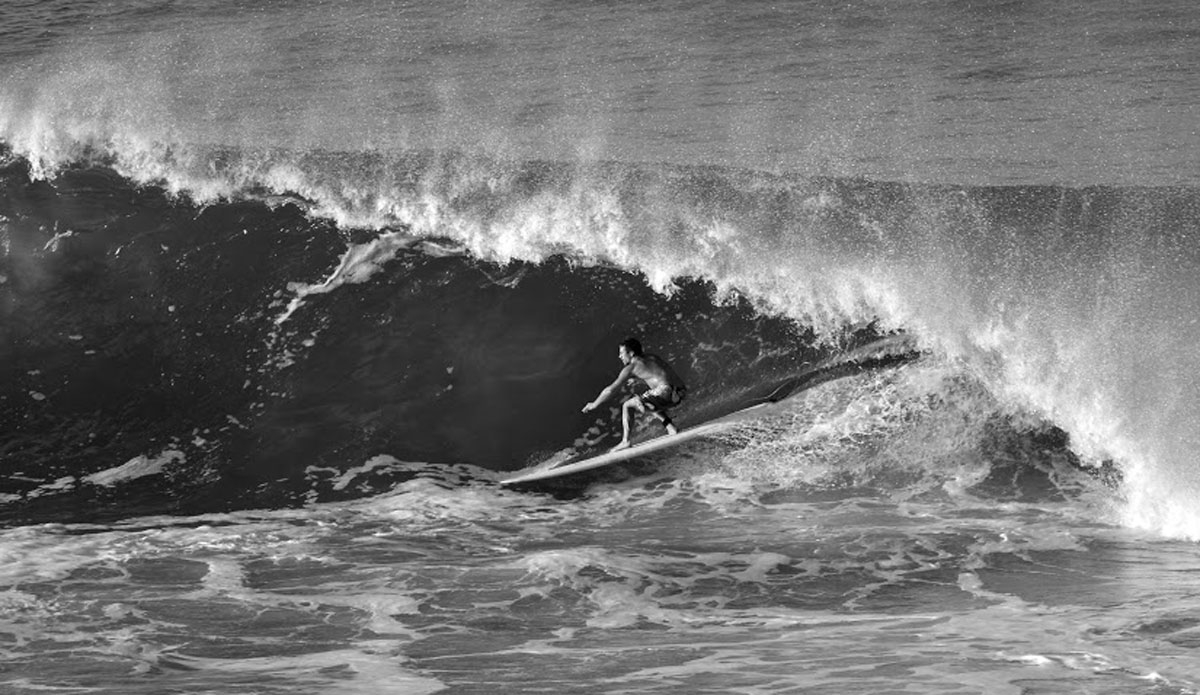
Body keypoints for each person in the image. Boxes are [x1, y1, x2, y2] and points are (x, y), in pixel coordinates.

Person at [582, 338, 687, 450]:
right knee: (649, 402)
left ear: (631, 353)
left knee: (628, 405)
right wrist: (640, 380)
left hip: (664, 393)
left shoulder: (630, 368)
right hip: (680, 392)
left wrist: (594, 404)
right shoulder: (652, 357)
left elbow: (610, 390)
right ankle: (671, 427)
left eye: (622, 353)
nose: (620, 356)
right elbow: (660, 377)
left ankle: (625, 441)